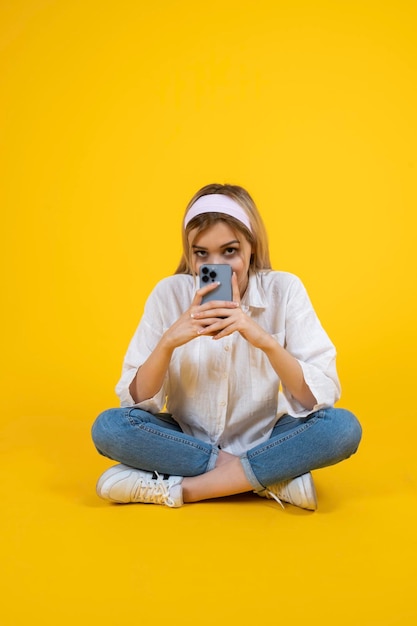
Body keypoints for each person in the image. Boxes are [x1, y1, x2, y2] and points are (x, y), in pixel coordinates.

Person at [91, 183, 362, 510]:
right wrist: (168, 343)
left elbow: (317, 397)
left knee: (341, 428)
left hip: (265, 437)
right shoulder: (169, 293)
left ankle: (181, 490)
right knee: (110, 428)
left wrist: (262, 339)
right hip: (184, 438)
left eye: (229, 251)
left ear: (252, 246)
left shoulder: (284, 290)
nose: (214, 263)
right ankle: (270, 477)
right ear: (190, 253)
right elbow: (134, 402)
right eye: (201, 253)